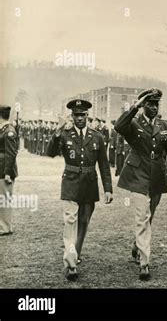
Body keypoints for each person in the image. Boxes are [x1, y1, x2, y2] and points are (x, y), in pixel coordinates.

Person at [114, 89, 167, 281]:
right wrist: (134, 106)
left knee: (149, 215)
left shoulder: (165, 126)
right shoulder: (134, 123)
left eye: (156, 104)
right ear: (143, 105)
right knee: (142, 215)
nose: (153, 107)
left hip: (156, 176)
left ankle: (137, 245)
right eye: (149, 104)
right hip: (138, 175)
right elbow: (119, 126)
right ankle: (144, 262)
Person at [47, 99, 113, 281]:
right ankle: (71, 264)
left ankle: (76, 252)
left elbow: (104, 165)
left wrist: (108, 189)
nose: (79, 118)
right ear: (72, 116)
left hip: (89, 184)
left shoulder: (97, 136)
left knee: (83, 222)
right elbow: (50, 152)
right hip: (70, 183)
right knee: (70, 221)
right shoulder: (65, 134)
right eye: (76, 115)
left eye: (82, 115)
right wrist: (58, 131)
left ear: (87, 116)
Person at [0, 105, 18, 236]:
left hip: (4, 170)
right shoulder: (4, 129)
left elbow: (11, 153)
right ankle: (4, 225)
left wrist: (7, 173)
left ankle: (5, 227)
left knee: (5, 199)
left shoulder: (9, 131)